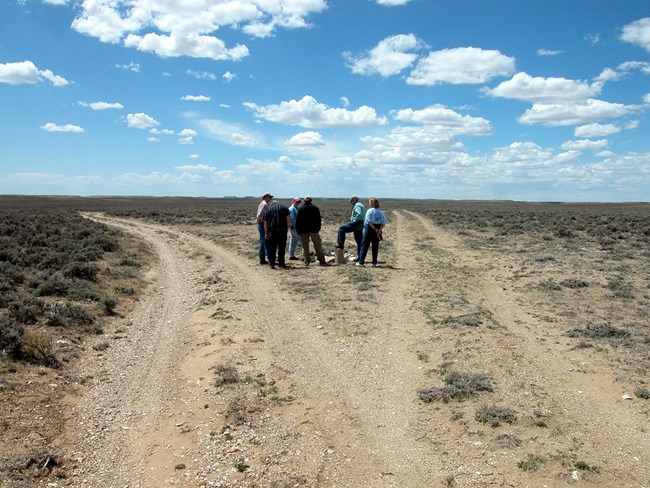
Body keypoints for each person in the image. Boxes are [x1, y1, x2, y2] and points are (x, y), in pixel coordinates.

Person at [295, 196, 328, 266]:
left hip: (303, 231)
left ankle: (307, 261)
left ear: (304, 201)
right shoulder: (315, 208)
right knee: (317, 245)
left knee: (305, 246)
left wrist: (298, 230)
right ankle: (322, 260)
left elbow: (298, 221)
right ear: (311, 201)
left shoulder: (301, 209)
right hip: (314, 230)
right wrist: (318, 228)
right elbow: (319, 220)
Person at [357, 197, 388, 267]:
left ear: (371, 203)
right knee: (375, 246)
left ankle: (361, 262)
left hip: (370, 229)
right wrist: (379, 231)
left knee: (364, 245)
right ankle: (374, 263)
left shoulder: (369, 211)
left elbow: (368, 221)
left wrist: (374, 229)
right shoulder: (381, 212)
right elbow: (384, 223)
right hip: (378, 228)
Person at [336, 195, 365, 260]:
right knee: (359, 241)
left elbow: (359, 214)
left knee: (341, 228)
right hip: (361, 224)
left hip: (357, 223)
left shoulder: (357, 205)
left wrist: (354, 221)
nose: (351, 202)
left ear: (354, 200)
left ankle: (340, 244)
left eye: (351, 200)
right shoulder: (361, 205)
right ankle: (360, 257)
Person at [264, 200, 291, 269]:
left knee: (272, 248)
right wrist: (287, 229)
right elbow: (288, 219)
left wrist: (266, 233)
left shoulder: (268, 210)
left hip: (272, 232)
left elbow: (266, 223)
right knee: (281, 248)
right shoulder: (284, 208)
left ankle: (272, 264)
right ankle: (281, 263)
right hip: (282, 231)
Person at [256, 192, 273, 264]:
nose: (271, 198)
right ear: (265, 197)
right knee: (266, 241)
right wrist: (265, 221)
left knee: (262, 242)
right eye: (270, 197)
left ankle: (262, 259)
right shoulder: (264, 204)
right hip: (262, 225)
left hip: (261, 224)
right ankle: (270, 259)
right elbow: (259, 216)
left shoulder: (263, 204)